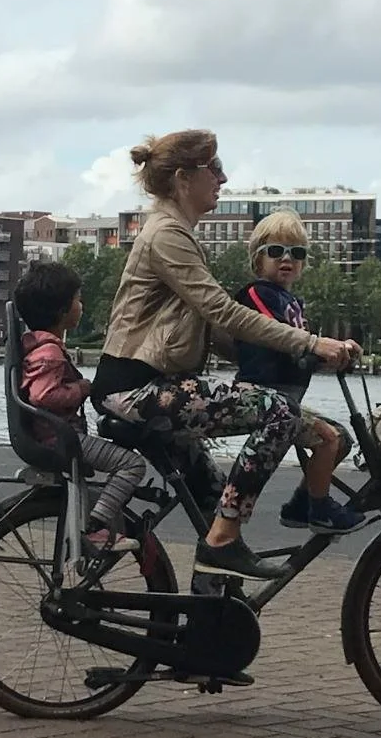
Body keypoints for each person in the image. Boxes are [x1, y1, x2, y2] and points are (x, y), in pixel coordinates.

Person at [91, 130, 360, 582]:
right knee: (276, 411)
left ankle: (209, 614)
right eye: (213, 169)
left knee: (216, 497)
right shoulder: (166, 235)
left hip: (156, 385)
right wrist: (310, 343)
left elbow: (210, 329)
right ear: (183, 178)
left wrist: (300, 355)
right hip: (137, 387)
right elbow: (222, 310)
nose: (223, 177)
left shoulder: (176, 233)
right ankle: (220, 544)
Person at [233, 211, 359, 532]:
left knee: (341, 438)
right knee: (328, 438)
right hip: (261, 394)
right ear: (257, 259)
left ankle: (300, 504)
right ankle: (320, 508)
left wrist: (337, 353)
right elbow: (276, 334)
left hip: (287, 397)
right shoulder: (255, 294)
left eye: (297, 253)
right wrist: (315, 348)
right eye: (276, 251)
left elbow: (306, 350)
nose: (286, 259)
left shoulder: (291, 301)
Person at [15, 260, 147, 552]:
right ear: (62, 311)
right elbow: (43, 396)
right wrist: (83, 388)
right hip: (59, 439)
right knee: (131, 464)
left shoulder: (37, 346)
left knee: (100, 475)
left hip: (53, 436)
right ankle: (97, 527)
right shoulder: (49, 352)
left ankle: (94, 523)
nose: (81, 305)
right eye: (77, 299)